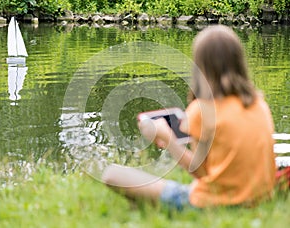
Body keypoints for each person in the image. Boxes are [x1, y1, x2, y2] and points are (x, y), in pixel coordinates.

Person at [102, 25, 276, 210]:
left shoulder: (202, 111)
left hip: (215, 204)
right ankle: (146, 206)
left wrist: (166, 137)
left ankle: (149, 205)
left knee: (112, 174)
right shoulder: (259, 104)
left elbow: (198, 171)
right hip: (259, 199)